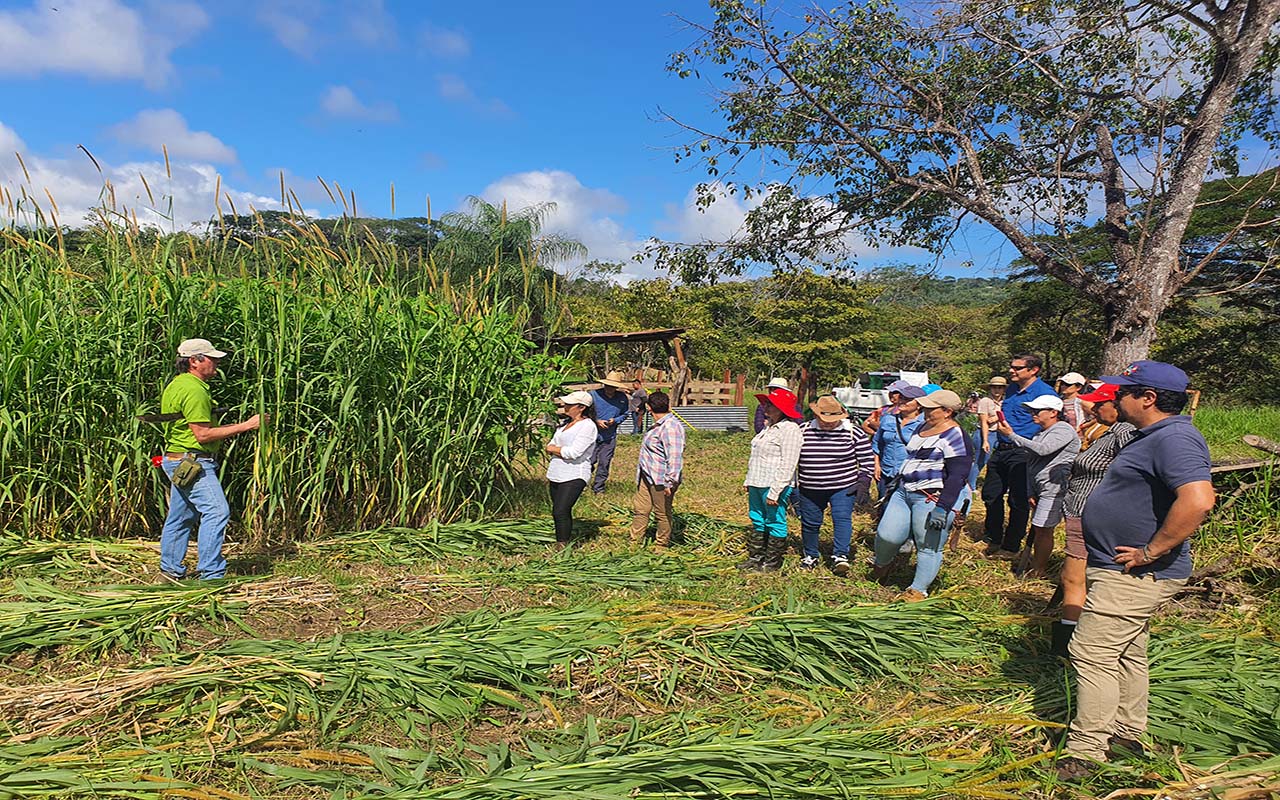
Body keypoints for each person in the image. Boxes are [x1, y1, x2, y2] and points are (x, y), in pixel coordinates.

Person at [1057, 361, 1215, 781]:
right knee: (1127, 652)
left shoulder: (1175, 438)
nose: (1114, 397)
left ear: (1147, 398)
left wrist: (1152, 550)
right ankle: (1127, 733)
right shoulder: (1153, 436)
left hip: (1137, 574)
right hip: (1119, 569)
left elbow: (1198, 500)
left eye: (1123, 391)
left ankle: (1087, 751)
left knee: (1091, 653)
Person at [159, 338, 265, 581]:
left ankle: (170, 570)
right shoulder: (194, 389)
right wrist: (247, 425)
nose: (216, 362)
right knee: (217, 512)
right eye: (211, 358)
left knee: (182, 516)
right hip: (193, 462)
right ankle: (211, 575)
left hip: (178, 459)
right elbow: (202, 434)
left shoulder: (178, 384)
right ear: (195, 361)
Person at [1054, 383, 1137, 656]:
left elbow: (1130, 474)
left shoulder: (1124, 433)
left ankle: (1069, 643)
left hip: (1090, 513)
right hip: (1080, 509)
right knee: (1073, 576)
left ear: (1118, 407)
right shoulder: (1105, 432)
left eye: (1101, 404)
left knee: (1074, 578)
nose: (1095, 408)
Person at [871, 389, 973, 600]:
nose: (925, 411)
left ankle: (918, 590)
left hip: (932, 497)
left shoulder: (956, 436)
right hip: (904, 491)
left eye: (931, 408)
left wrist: (942, 508)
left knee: (928, 546)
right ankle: (883, 564)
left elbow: (957, 476)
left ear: (947, 412)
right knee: (887, 535)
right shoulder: (922, 426)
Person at [996, 394, 1080, 577]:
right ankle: (1036, 565)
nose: (1033, 414)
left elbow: (1043, 450)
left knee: (1043, 529)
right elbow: (1033, 463)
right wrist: (1031, 490)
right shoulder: (1040, 432)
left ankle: (1039, 569)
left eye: (1037, 411)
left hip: (1054, 487)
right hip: (1041, 487)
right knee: (1039, 527)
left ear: (1053, 412)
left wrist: (1011, 435)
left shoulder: (1062, 429)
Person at [983, 353, 1056, 559]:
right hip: (1002, 447)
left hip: (1024, 452)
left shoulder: (1044, 394)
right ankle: (993, 537)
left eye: (1017, 368)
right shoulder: (1013, 389)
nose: (1011, 371)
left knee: (1018, 500)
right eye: (1011, 367)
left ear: (1033, 370)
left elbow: (1051, 424)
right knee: (991, 494)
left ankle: (1011, 546)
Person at [795, 395, 876, 575]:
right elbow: (791, 457)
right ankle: (810, 555)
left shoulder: (853, 432)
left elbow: (866, 460)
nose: (828, 423)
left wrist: (863, 481)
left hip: (842, 486)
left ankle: (840, 556)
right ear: (816, 416)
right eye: (824, 420)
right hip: (810, 487)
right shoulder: (803, 430)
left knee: (841, 519)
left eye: (832, 420)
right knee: (810, 522)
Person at [740, 386, 803, 573]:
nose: (766, 407)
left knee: (775, 520)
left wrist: (776, 490)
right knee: (758, 519)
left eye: (771, 404)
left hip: (773, 482)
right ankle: (756, 558)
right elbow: (756, 457)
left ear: (782, 409)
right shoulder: (768, 428)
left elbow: (789, 462)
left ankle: (772, 563)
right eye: (767, 403)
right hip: (757, 481)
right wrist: (748, 480)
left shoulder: (790, 430)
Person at [630, 392, 685, 550]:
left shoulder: (671, 427)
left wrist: (670, 481)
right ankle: (635, 542)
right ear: (668, 405)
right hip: (648, 475)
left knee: (662, 512)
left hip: (662, 479)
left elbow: (674, 457)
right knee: (641, 509)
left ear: (648, 407)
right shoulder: (658, 425)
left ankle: (661, 545)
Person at [545, 390, 598, 546]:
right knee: (560, 511)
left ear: (581, 407)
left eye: (569, 404)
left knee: (560, 510)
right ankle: (562, 539)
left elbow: (574, 453)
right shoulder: (564, 425)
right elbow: (551, 443)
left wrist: (555, 450)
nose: (565, 406)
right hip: (557, 472)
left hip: (574, 474)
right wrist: (556, 449)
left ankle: (562, 545)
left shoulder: (588, 426)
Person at [870, 384, 926, 498]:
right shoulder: (887, 419)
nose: (902, 401)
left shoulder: (925, 424)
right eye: (901, 398)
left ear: (919, 404)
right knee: (884, 506)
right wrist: (876, 465)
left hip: (910, 475)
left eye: (908, 399)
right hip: (886, 471)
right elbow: (876, 443)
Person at [589, 371, 632, 494]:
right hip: (592, 435)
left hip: (609, 436)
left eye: (613, 387)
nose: (610, 389)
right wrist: (596, 421)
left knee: (604, 462)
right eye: (608, 386)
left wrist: (615, 420)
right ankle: (581, 484)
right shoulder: (593, 395)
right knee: (589, 462)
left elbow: (625, 414)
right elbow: (585, 413)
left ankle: (599, 488)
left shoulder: (622, 398)